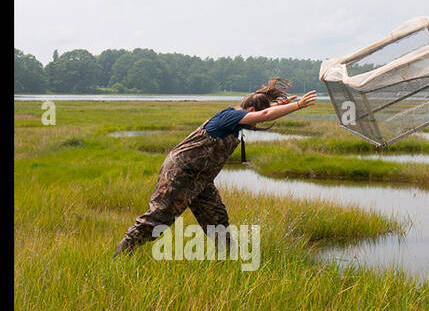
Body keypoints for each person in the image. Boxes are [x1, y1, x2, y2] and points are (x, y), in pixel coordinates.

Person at [113, 77, 317, 256]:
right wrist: (298, 106)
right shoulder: (229, 116)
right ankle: (120, 257)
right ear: (251, 111)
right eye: (254, 117)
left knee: (216, 218)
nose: (254, 124)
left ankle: (228, 259)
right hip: (180, 174)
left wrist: (285, 103)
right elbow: (263, 116)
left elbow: (263, 112)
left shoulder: (237, 117)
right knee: (158, 218)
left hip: (200, 179)